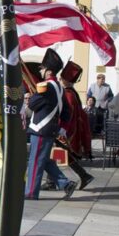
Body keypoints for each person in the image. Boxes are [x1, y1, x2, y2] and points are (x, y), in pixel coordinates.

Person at [24, 49, 77, 200]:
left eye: (41, 68)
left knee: (36, 161)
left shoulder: (46, 86)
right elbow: (67, 111)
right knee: (44, 160)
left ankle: (30, 192)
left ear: (48, 70)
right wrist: (63, 128)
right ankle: (65, 184)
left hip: (41, 129)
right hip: (50, 128)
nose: (40, 70)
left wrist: (35, 94)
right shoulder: (59, 87)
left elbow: (33, 105)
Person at [59, 62, 92, 160]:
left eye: (60, 79)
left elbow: (68, 112)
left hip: (69, 125)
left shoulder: (68, 94)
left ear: (64, 81)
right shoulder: (70, 92)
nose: (59, 80)